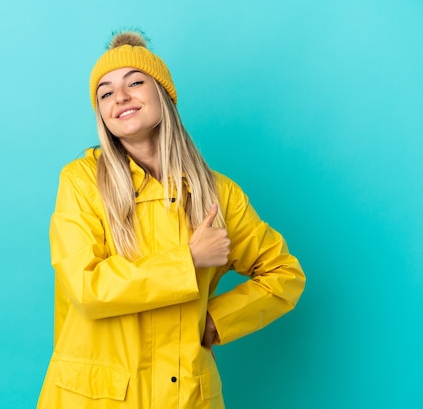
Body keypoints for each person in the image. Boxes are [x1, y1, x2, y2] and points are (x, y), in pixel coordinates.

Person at [37, 30, 306, 409]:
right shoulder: (81, 181)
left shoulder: (218, 194)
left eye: (135, 82)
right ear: (101, 113)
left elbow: (284, 275)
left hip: (186, 397)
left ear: (162, 94)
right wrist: (188, 261)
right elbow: (86, 288)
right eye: (106, 93)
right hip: (98, 397)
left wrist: (216, 321)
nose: (121, 97)